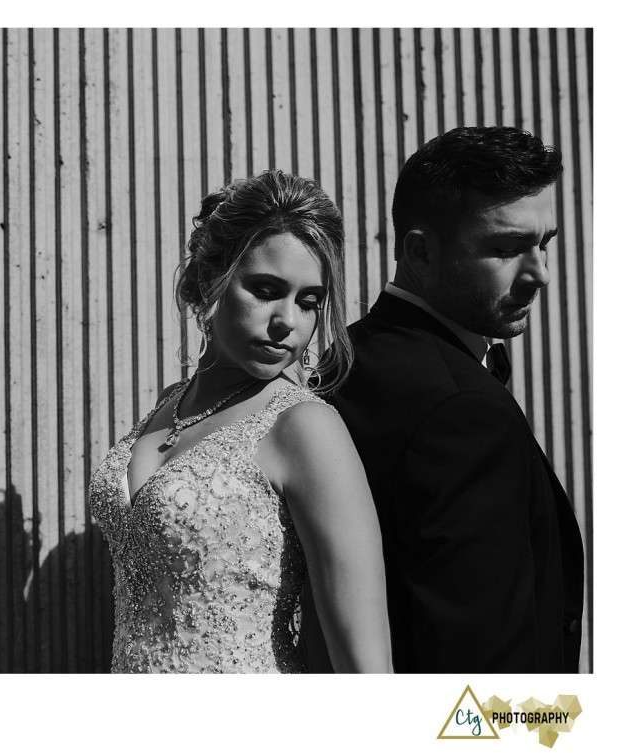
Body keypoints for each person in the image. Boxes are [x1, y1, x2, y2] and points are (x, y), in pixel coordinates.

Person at [88, 170, 392, 673]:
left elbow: (367, 668)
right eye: (266, 289)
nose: (287, 322)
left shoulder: (305, 427)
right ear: (210, 279)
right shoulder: (171, 403)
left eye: (308, 302)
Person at [328, 126, 585, 672]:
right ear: (420, 252)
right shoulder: (461, 410)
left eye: (545, 244)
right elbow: (479, 660)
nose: (539, 273)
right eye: (506, 248)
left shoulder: (345, 356)